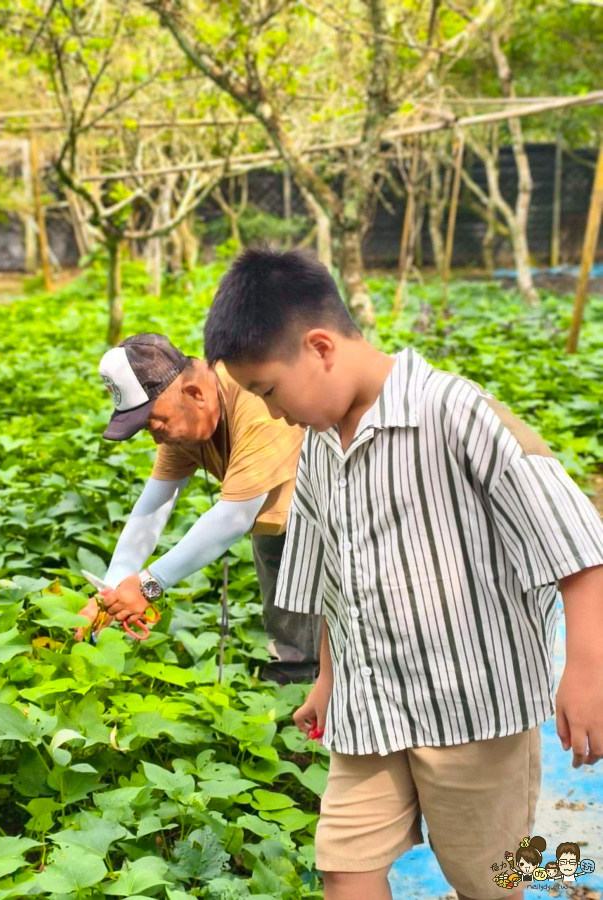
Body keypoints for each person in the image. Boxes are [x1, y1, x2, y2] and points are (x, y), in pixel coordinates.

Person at [203, 248, 603, 900]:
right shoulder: (318, 448)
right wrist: (327, 681)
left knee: (488, 881)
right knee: (343, 866)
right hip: (367, 714)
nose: (272, 415)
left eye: (269, 392)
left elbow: (580, 548)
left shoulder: (457, 413)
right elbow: (333, 579)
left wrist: (586, 671)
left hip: (474, 714)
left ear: (320, 347)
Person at [77, 332, 321, 684]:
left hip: (351, 507)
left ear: (195, 394)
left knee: (356, 626)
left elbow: (234, 517)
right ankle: (295, 692)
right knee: (291, 623)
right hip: (284, 516)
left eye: (156, 422)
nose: (156, 436)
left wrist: (149, 584)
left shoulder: (256, 397)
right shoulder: (183, 418)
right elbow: (155, 504)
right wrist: (110, 593)